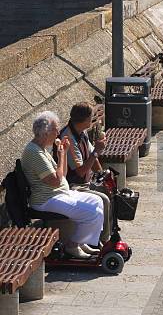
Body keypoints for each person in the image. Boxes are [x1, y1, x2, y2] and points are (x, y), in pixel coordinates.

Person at [21, 111, 104, 259]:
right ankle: (73, 245)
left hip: (57, 193)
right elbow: (55, 181)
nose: (58, 132)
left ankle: (81, 240)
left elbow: (62, 175)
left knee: (97, 201)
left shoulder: (41, 149)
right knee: (92, 212)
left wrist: (63, 153)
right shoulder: (35, 153)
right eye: (55, 129)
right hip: (46, 200)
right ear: (45, 132)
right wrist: (60, 158)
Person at [59, 102, 112, 244]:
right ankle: (103, 241)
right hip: (74, 185)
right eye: (91, 117)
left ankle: (104, 234)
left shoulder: (81, 132)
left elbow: (91, 155)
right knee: (104, 200)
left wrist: (102, 175)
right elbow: (81, 171)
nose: (93, 119)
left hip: (84, 182)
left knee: (110, 191)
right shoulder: (68, 138)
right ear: (85, 119)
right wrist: (97, 151)